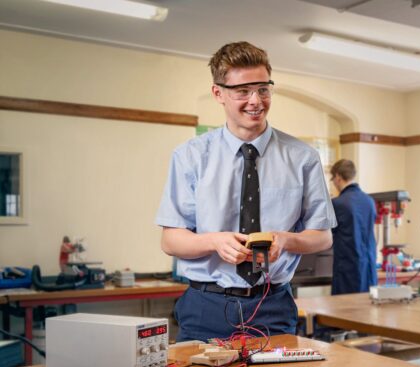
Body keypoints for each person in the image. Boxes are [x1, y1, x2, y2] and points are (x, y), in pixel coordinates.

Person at [155, 41, 336, 342]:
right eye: (243, 91)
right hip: (205, 307)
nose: (256, 101)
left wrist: (286, 240)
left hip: (273, 306)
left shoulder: (303, 157)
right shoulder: (189, 156)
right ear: (218, 93)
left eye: (263, 89)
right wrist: (214, 242)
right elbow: (170, 239)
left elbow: (323, 235)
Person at [329, 159, 377, 295]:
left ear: (338, 177)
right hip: (369, 268)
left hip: (347, 270)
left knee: (343, 312)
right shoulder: (369, 201)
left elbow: (325, 235)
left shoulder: (337, 204)